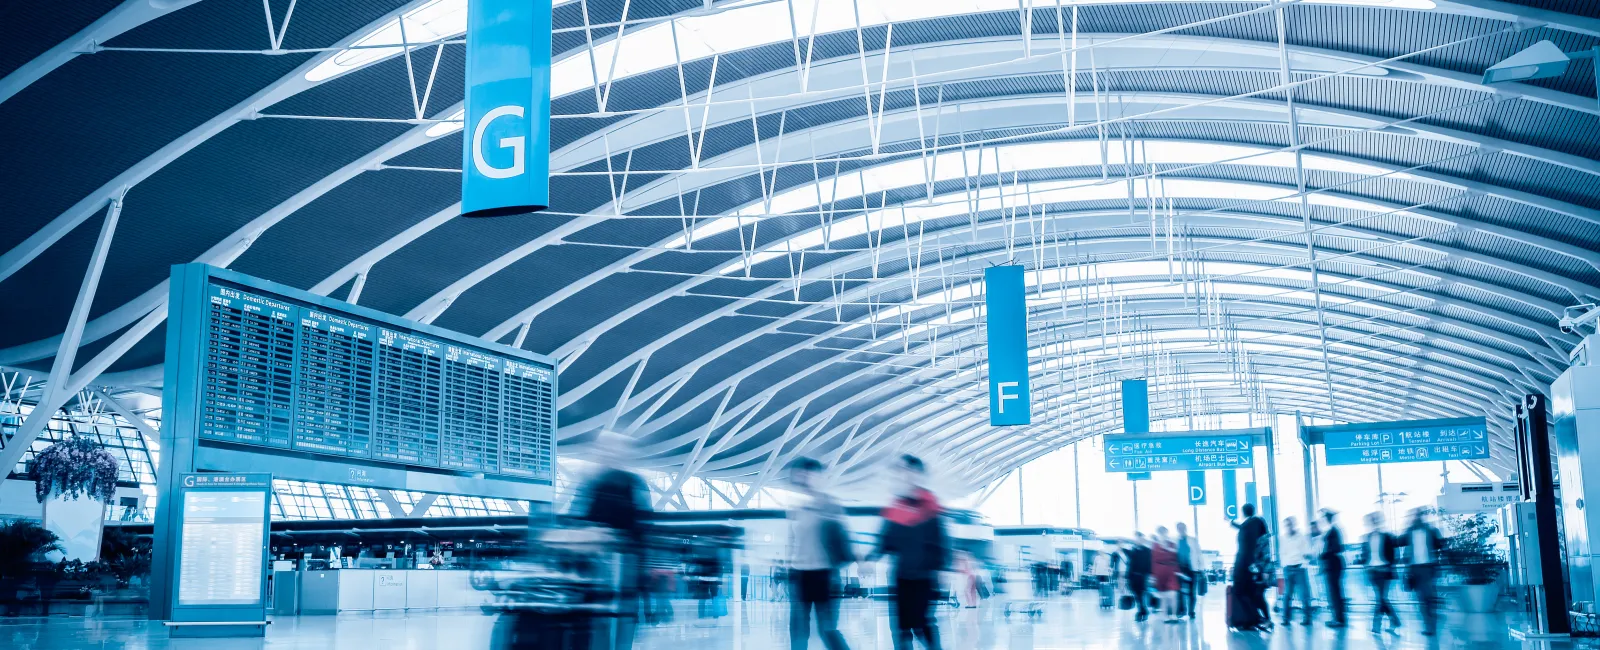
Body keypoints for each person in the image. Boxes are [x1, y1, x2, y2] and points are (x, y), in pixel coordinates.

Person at [865, 455, 950, 650]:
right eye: (901, 471)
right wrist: (871, 558)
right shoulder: (896, 507)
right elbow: (885, 540)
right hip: (902, 575)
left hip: (925, 576)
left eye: (908, 471)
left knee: (921, 623)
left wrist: (944, 568)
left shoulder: (930, 505)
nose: (904, 475)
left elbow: (941, 540)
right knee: (901, 627)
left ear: (918, 474)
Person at [787, 457, 853, 650]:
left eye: (808, 474)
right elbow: (794, 541)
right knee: (798, 630)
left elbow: (842, 538)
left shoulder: (829, 504)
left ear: (817, 476)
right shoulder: (797, 508)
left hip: (825, 574)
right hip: (800, 574)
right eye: (800, 474)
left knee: (827, 629)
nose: (803, 478)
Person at [1402, 508, 1445, 636]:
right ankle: (1428, 626)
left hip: (1428, 567)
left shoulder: (1431, 530)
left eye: (1417, 515)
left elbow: (1440, 545)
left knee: (1429, 598)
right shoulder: (1409, 532)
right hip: (1415, 569)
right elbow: (1401, 544)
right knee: (1422, 599)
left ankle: (1431, 626)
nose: (1416, 517)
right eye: (1414, 515)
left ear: (1422, 516)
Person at [1229, 503, 1271, 631]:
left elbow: (1264, 550)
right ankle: (1259, 619)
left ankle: (1263, 619)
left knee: (1254, 593)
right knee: (1254, 593)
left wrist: (1264, 569)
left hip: (1253, 565)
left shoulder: (1252, 526)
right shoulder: (1254, 524)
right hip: (1253, 565)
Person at [1359, 511, 1401, 635]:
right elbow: (1365, 555)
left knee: (1380, 598)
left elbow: (1394, 555)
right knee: (1382, 598)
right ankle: (1395, 621)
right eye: (1372, 520)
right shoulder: (1366, 537)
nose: (1373, 522)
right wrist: (1365, 564)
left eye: (1375, 520)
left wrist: (1388, 566)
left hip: (1384, 570)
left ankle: (1376, 625)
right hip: (1372, 571)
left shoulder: (1387, 536)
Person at [1280, 517, 1312, 625]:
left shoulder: (1301, 537)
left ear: (1294, 524)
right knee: (1287, 594)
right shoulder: (1283, 538)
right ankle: (1285, 618)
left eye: (1290, 524)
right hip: (1288, 568)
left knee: (1303, 594)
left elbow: (1306, 552)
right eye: (1286, 525)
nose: (1288, 527)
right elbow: (1282, 553)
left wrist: (1303, 565)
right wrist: (1284, 565)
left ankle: (1307, 618)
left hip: (1299, 568)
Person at [1318, 509, 1347, 629]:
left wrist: (1324, 554)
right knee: (1334, 592)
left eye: (1324, 517)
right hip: (1331, 565)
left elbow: (1337, 547)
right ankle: (1337, 618)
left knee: (1334, 592)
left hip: (1333, 565)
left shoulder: (1334, 531)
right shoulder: (1332, 530)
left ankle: (1339, 619)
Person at [1151, 526, 1181, 623]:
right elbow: (1153, 561)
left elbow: (1176, 558)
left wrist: (1178, 571)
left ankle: (1174, 615)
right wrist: (1153, 575)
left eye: (1164, 533)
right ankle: (1165, 617)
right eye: (1161, 533)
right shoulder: (1155, 546)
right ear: (1158, 534)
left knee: (1173, 594)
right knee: (1163, 596)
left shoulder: (1172, 545)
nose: (1163, 535)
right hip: (1159, 572)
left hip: (1171, 570)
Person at [1125, 533, 1153, 622]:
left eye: (1140, 539)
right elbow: (1130, 564)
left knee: (1141, 594)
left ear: (1143, 540)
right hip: (1132, 576)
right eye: (1136, 539)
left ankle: (1141, 611)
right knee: (1136, 594)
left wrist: (1149, 575)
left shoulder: (1148, 551)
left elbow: (1150, 564)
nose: (1137, 541)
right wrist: (1127, 577)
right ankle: (1143, 610)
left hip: (1143, 576)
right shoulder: (1133, 550)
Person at [1174, 522, 1200, 619]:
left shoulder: (1192, 540)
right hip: (1179, 569)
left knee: (1192, 591)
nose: (1181, 529)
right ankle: (1182, 610)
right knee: (1179, 590)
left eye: (1183, 527)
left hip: (1191, 568)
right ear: (1177, 529)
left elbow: (1198, 554)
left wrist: (1200, 568)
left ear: (1185, 528)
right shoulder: (1174, 541)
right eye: (1179, 528)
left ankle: (1191, 611)